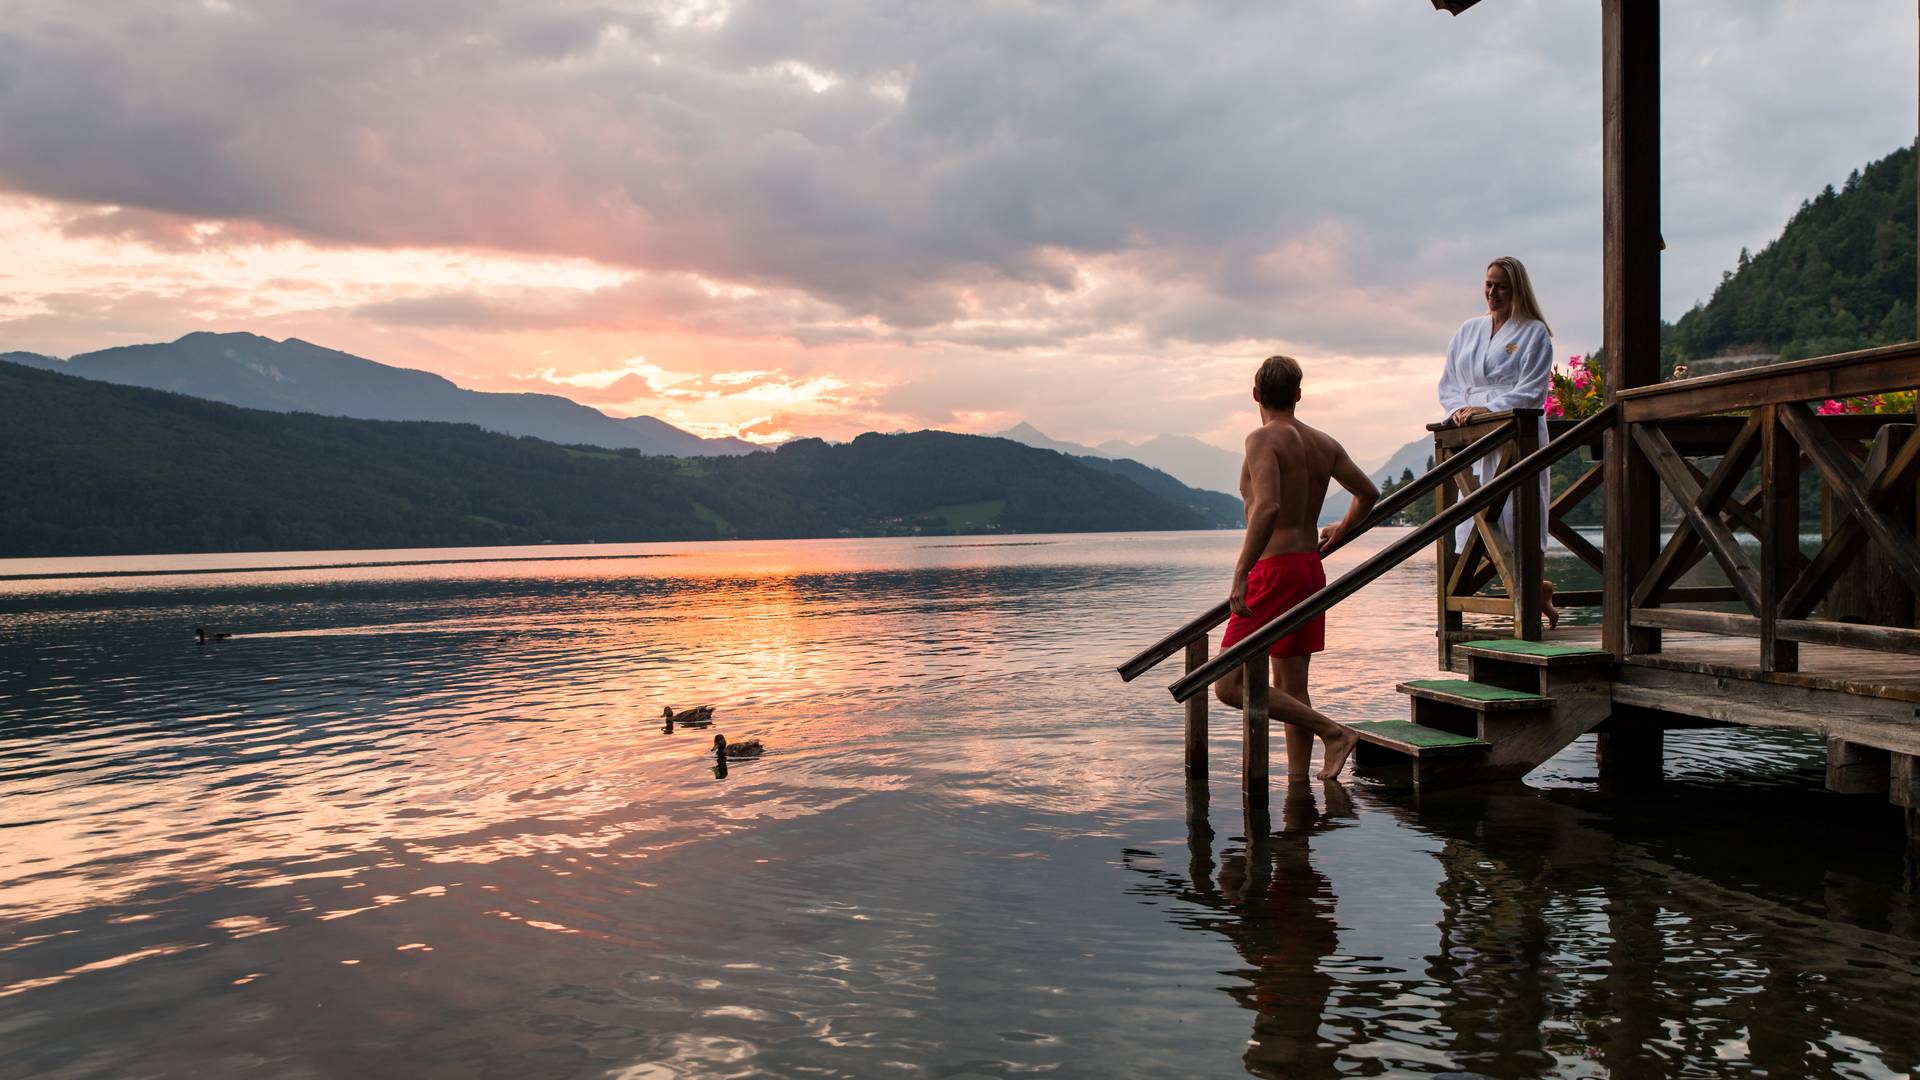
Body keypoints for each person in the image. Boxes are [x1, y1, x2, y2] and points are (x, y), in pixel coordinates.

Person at [1213, 354, 1373, 780]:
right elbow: (1369, 493)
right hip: (1308, 568)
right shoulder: (1324, 443)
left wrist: (1241, 572)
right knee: (1292, 690)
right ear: (1298, 395)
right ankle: (1299, 791)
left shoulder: (1262, 439)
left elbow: (1267, 507)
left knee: (1226, 684)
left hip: (1275, 571)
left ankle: (1334, 732)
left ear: (1255, 395)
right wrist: (1343, 526)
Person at [1437, 255, 1558, 628]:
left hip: (1516, 437)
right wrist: (1460, 410)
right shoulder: (1467, 330)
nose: (1492, 292)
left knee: (1519, 519)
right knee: (1476, 525)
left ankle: (1532, 596)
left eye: (1500, 286)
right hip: (1475, 442)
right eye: (1488, 284)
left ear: (1516, 288)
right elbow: (1449, 384)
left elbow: (1532, 391)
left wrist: (1484, 410)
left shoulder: (1533, 332)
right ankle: (1537, 589)